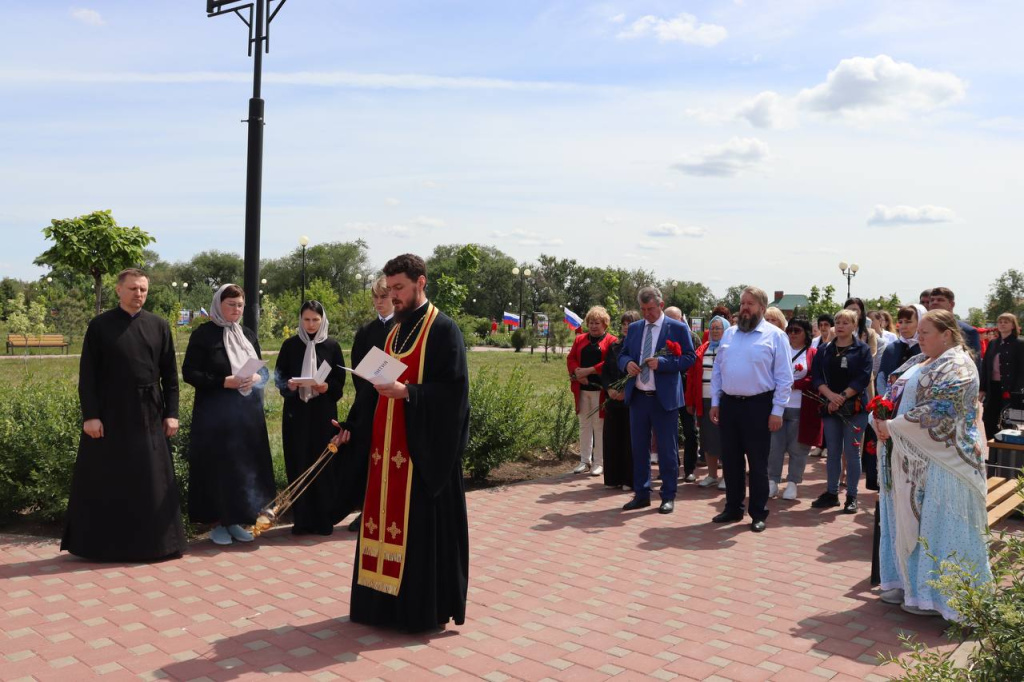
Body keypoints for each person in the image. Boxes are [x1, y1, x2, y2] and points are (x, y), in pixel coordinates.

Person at [331, 254, 469, 632]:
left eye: (399, 289)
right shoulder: (394, 331)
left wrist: (408, 392)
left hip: (420, 455)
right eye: (389, 289)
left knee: (417, 532)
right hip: (384, 453)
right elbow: (373, 390)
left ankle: (416, 611)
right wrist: (351, 425)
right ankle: (380, 607)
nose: (393, 297)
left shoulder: (443, 330)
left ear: (420, 283)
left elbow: (455, 394)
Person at [61, 268, 186, 562]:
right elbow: (88, 376)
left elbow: (170, 376)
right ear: (119, 290)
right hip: (110, 413)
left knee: (151, 481)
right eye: (132, 289)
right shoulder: (100, 326)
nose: (138, 294)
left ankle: (156, 546)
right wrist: (90, 415)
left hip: (149, 413)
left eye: (143, 289)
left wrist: (172, 413)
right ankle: (102, 547)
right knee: (108, 480)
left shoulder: (159, 325)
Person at [874, 310, 992, 620]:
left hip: (947, 462)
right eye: (919, 333)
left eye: (925, 332)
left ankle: (943, 596)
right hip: (908, 456)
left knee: (940, 526)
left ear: (947, 334)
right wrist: (880, 417)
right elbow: (890, 390)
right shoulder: (918, 360)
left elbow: (940, 410)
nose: (918, 337)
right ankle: (907, 584)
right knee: (908, 522)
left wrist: (894, 426)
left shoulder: (959, 365)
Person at [183, 284, 276, 546]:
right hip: (216, 415)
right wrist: (224, 382)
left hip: (246, 415)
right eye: (231, 305)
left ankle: (237, 520)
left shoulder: (247, 334)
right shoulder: (204, 335)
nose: (236, 310)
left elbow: (263, 371)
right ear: (218, 305)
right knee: (219, 467)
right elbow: (190, 372)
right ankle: (218, 523)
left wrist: (258, 376)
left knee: (242, 466)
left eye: (240, 305)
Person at [710, 287, 793, 532]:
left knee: (757, 463)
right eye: (743, 303)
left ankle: (758, 513)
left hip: (759, 406)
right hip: (729, 405)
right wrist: (715, 402)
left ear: (762, 308)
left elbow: (784, 377)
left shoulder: (776, 336)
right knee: (732, 461)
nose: (745, 307)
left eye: (751, 304)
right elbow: (718, 371)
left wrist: (777, 410)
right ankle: (733, 508)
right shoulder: (729, 335)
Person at [618, 286, 696, 514]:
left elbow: (689, 358)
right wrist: (626, 364)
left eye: (650, 309)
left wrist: (663, 364)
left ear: (661, 305)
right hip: (639, 397)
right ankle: (641, 494)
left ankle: (668, 495)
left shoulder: (678, 328)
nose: (646, 314)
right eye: (642, 309)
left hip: (664, 400)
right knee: (639, 448)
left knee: (667, 450)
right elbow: (622, 354)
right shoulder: (634, 329)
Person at [274, 301, 347, 535]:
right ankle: (302, 520)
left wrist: (327, 387)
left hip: (323, 414)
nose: (311, 324)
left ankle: (323, 519)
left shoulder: (332, 346)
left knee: (324, 463)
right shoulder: (290, 345)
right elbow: (280, 377)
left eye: (315, 320)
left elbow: (340, 384)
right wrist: (289, 385)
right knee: (299, 461)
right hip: (296, 414)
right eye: (306, 319)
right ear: (300, 320)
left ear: (322, 320)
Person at [337, 275, 395, 532]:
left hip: (396, 402)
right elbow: (357, 369)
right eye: (375, 297)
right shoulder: (366, 331)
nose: (379, 302)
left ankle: (391, 512)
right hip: (369, 404)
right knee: (367, 458)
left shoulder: (404, 328)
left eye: (384, 297)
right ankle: (366, 511)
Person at [810, 309, 871, 514]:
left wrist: (842, 396)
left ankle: (852, 496)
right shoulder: (825, 349)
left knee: (852, 452)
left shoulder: (862, 350)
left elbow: (862, 378)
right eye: (838, 321)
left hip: (855, 408)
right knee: (833, 452)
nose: (841, 325)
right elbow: (816, 376)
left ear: (855, 325)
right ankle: (831, 493)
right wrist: (831, 397)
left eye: (846, 322)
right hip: (830, 407)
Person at [768, 318, 820, 501]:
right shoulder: (780, 350)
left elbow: (815, 378)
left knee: (798, 448)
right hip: (778, 408)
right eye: (789, 330)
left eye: (796, 331)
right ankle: (772, 481)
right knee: (775, 447)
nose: (792, 334)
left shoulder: (813, 353)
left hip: (801, 408)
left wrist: (793, 384)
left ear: (806, 333)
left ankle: (792, 482)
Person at [567, 306, 618, 476]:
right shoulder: (579, 339)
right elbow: (571, 358)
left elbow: (610, 363)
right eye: (591, 322)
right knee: (584, 425)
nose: (594, 326)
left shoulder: (612, 341)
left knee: (599, 426)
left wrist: (589, 371)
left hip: (600, 390)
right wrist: (577, 373)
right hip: (582, 389)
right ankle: (584, 461)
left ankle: (599, 462)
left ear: (605, 324)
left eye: (597, 323)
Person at [686, 315, 729, 490]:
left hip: (724, 401)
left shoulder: (730, 349)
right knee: (707, 439)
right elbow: (692, 377)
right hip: (703, 400)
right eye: (713, 328)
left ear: (726, 330)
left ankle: (728, 476)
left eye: (719, 328)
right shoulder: (702, 349)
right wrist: (690, 401)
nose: (715, 331)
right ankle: (712, 475)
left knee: (726, 439)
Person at [602, 311, 641, 490]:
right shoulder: (614, 346)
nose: (626, 327)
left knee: (629, 441)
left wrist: (627, 390)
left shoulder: (640, 348)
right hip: (613, 400)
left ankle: (628, 479)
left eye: (630, 324)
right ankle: (613, 478)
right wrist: (609, 388)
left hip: (631, 399)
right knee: (612, 439)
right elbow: (606, 372)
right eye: (624, 324)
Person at [665, 306, 701, 482]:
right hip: (668, 391)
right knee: (667, 432)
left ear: (681, 319)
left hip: (687, 391)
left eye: (675, 319)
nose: (671, 323)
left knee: (690, 432)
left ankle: (689, 469)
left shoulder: (692, 338)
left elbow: (696, 364)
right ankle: (671, 467)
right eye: (668, 319)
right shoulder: (660, 337)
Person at [980, 312, 1024, 439]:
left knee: (1008, 421)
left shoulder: (1020, 343)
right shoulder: (993, 343)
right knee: (988, 419)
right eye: (1000, 322)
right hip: (992, 387)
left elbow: (1022, 369)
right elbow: (986, 367)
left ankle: (1006, 453)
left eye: (1006, 322)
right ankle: (993, 449)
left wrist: (1017, 390)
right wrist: (982, 389)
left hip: (1010, 388)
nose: (1002, 324)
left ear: (1013, 325)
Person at [877, 305, 926, 396]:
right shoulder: (892, 348)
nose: (903, 326)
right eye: (900, 322)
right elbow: (882, 376)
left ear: (920, 323)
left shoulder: (928, 348)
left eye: (908, 322)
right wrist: (885, 401)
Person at [927, 287, 981, 367]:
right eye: (932, 300)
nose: (934, 302)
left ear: (951, 304)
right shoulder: (923, 329)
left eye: (940, 300)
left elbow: (974, 365)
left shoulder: (968, 332)